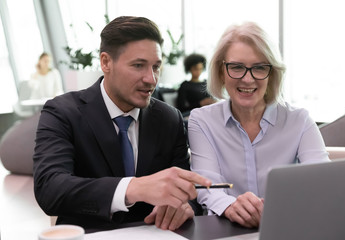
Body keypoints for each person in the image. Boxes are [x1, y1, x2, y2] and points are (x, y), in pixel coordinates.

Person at [33, 16, 211, 231]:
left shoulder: (169, 119)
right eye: (138, 65)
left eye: (156, 67)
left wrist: (186, 205)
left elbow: (187, 188)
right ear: (106, 62)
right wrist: (133, 188)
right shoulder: (63, 112)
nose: (152, 79)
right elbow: (50, 190)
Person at [188, 22, 330, 228]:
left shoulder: (299, 121)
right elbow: (207, 186)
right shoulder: (202, 121)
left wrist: (275, 210)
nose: (247, 79)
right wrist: (231, 206)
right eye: (236, 67)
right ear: (221, 72)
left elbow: (322, 184)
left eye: (259, 68)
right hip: (225, 229)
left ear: (272, 73)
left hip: (286, 228)